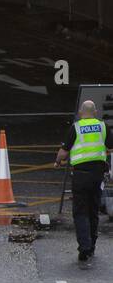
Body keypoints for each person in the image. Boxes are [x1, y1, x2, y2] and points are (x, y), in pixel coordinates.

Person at [55, 99, 113, 264]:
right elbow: (111, 146)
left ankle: (84, 247)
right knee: (93, 210)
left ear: (81, 113)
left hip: (80, 175)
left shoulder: (76, 127)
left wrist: (58, 161)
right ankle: (92, 245)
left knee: (80, 212)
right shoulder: (103, 126)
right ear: (95, 113)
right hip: (97, 176)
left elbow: (64, 152)